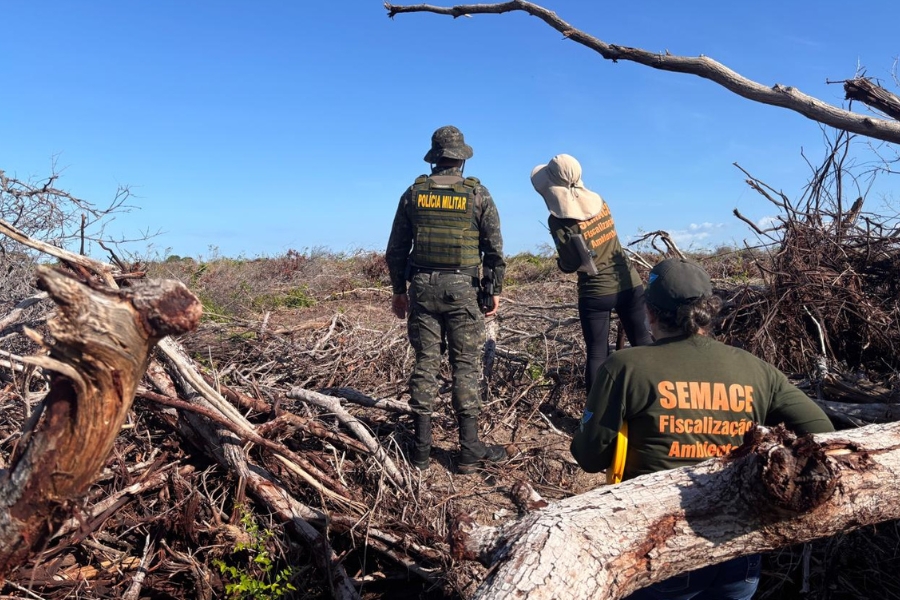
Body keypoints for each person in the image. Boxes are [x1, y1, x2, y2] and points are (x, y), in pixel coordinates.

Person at [570, 257, 835, 600]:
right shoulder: (755, 368)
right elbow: (822, 431)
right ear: (708, 310)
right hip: (738, 549)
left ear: (650, 313)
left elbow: (589, 457)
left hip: (660, 549)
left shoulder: (625, 366)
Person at [385, 125, 507, 474]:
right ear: (460, 160)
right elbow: (495, 250)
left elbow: (396, 250)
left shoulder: (414, 193)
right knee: (465, 366)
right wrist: (493, 289)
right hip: (463, 290)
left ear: (436, 159)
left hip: (421, 288)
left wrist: (398, 291)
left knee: (426, 362)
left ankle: (421, 454)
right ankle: (469, 453)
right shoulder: (478, 194)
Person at [531, 154, 653, 391]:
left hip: (595, 292)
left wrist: (562, 264)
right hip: (629, 282)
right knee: (644, 343)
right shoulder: (600, 202)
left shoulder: (558, 221)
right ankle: (654, 404)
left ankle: (594, 416)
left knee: (597, 352)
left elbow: (569, 263)